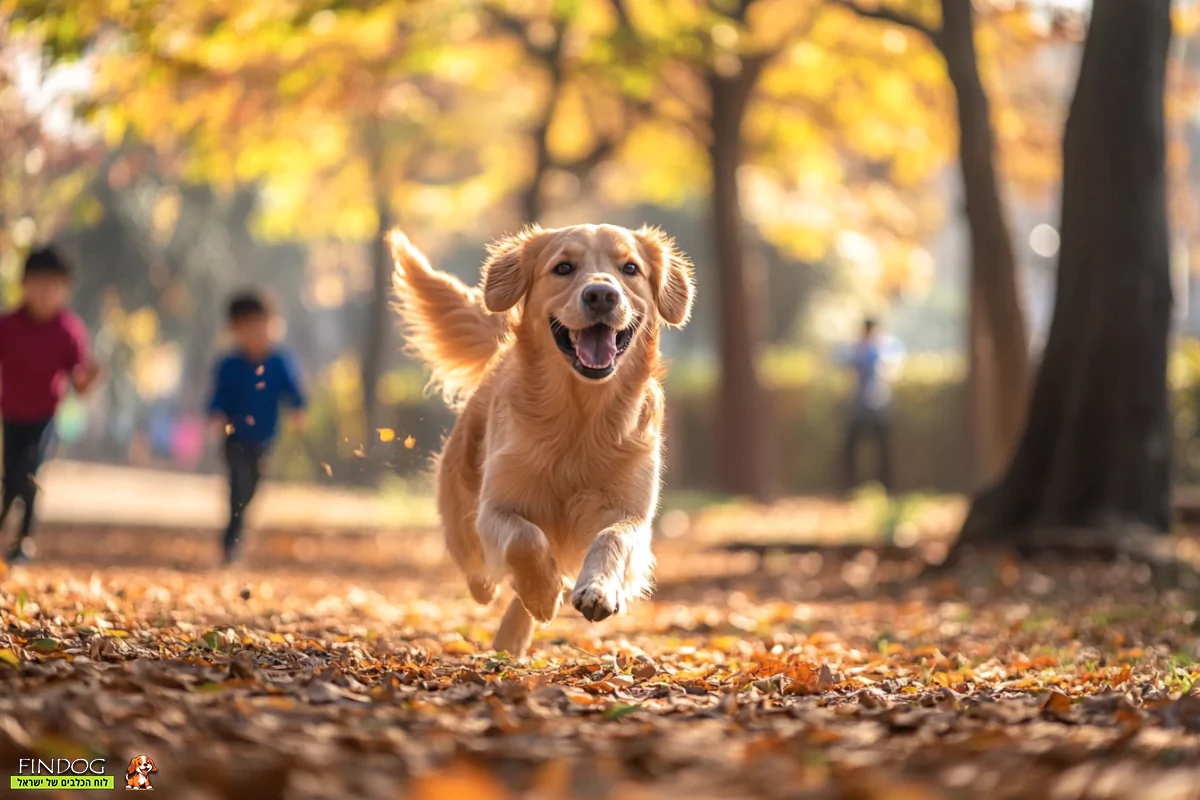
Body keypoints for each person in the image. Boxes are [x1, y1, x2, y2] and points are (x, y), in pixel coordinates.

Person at [0, 246, 100, 564]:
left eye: (53, 286)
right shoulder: (8, 326)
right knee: (11, 477)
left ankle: (23, 543)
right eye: (38, 285)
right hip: (12, 414)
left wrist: (92, 377)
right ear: (23, 285)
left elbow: (80, 386)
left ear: (65, 290)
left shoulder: (68, 331)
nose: (44, 294)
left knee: (29, 474)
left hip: (44, 417)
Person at [207, 291, 306, 566]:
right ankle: (230, 543)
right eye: (247, 327)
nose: (255, 334)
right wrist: (215, 415)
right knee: (238, 486)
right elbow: (218, 396)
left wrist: (297, 410)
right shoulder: (229, 365)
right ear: (235, 330)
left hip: (263, 441)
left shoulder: (279, 362)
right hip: (234, 439)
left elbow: (293, 392)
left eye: (261, 325)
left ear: (273, 325)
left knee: (251, 490)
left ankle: (236, 533)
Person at [840, 316, 904, 495]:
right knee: (851, 448)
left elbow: (892, 370)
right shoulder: (857, 350)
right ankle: (850, 486)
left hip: (879, 407)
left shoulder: (884, 349)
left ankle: (887, 486)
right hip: (859, 408)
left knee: (884, 450)